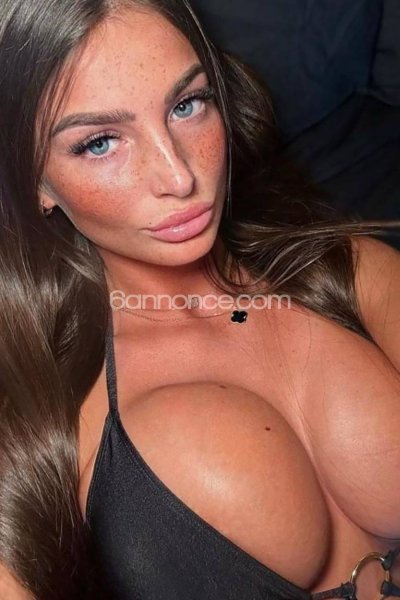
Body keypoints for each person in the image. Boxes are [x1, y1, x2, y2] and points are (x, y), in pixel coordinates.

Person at [0, 1, 399, 599]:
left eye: (186, 105)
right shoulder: (40, 424)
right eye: (100, 142)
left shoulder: (353, 268)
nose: (179, 176)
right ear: (34, 180)